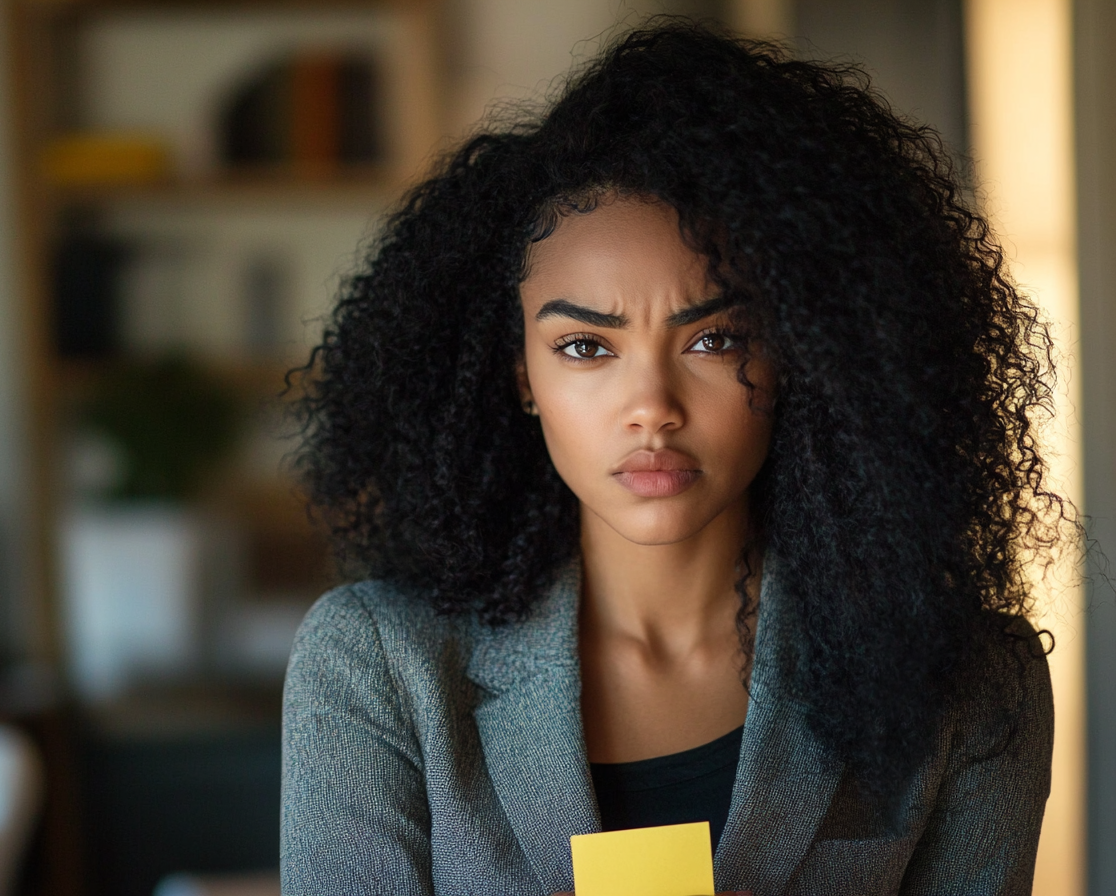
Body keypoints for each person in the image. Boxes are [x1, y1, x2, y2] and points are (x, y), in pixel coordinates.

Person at [280, 18, 1065, 896]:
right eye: (585, 346)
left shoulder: (971, 684)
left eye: (716, 338)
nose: (651, 406)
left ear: (805, 350)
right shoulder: (380, 664)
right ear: (520, 376)